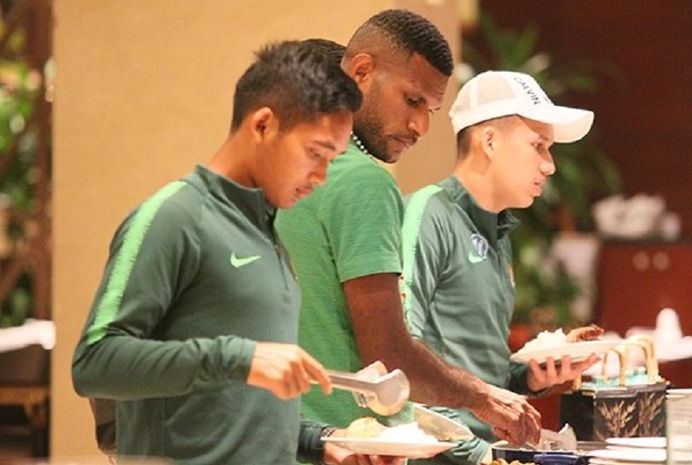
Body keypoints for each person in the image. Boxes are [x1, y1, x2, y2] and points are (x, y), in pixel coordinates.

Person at [71, 39, 377, 465]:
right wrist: (238, 356)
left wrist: (319, 441)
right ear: (263, 125)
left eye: (333, 158)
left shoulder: (266, 234)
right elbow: (94, 363)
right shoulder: (174, 218)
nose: (321, 176)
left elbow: (237, 401)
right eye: (315, 153)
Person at [275, 9, 541, 447]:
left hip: (288, 438)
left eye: (432, 109)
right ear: (360, 71)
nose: (420, 126)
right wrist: (483, 397)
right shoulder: (365, 181)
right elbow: (388, 353)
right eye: (412, 100)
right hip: (350, 446)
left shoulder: (284, 175)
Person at [400, 70, 598, 464]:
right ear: (489, 141)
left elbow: (479, 373)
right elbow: (399, 360)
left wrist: (528, 376)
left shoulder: (499, 232)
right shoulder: (429, 212)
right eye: (538, 146)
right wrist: (479, 455)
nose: (550, 166)